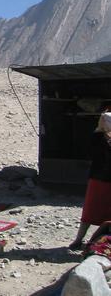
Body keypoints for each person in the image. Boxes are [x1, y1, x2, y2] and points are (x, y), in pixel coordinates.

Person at [69, 105, 111, 250]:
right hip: (99, 179)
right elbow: (92, 153)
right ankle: (78, 240)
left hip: (101, 178)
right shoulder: (98, 137)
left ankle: (102, 243)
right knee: (90, 212)